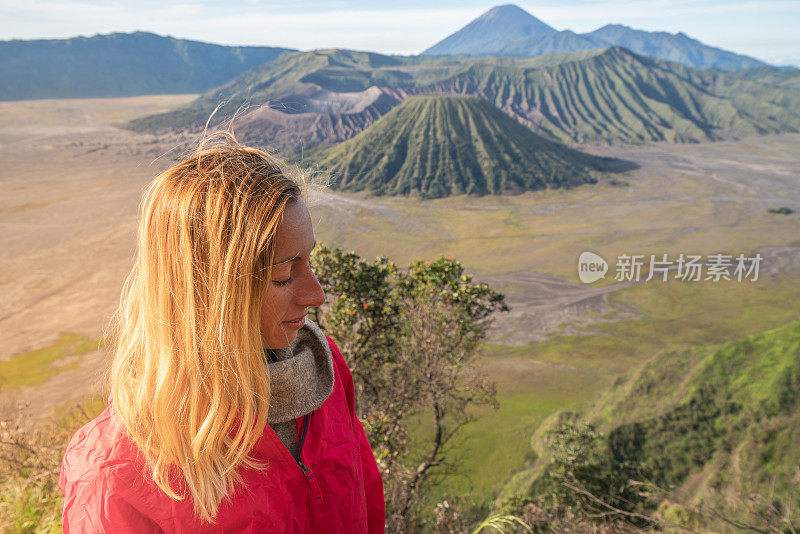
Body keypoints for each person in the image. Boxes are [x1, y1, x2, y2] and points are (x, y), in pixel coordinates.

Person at [58, 133, 386, 533]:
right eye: (284, 275)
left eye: (309, 261)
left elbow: (366, 501)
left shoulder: (324, 367)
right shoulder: (115, 476)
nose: (316, 294)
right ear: (209, 292)